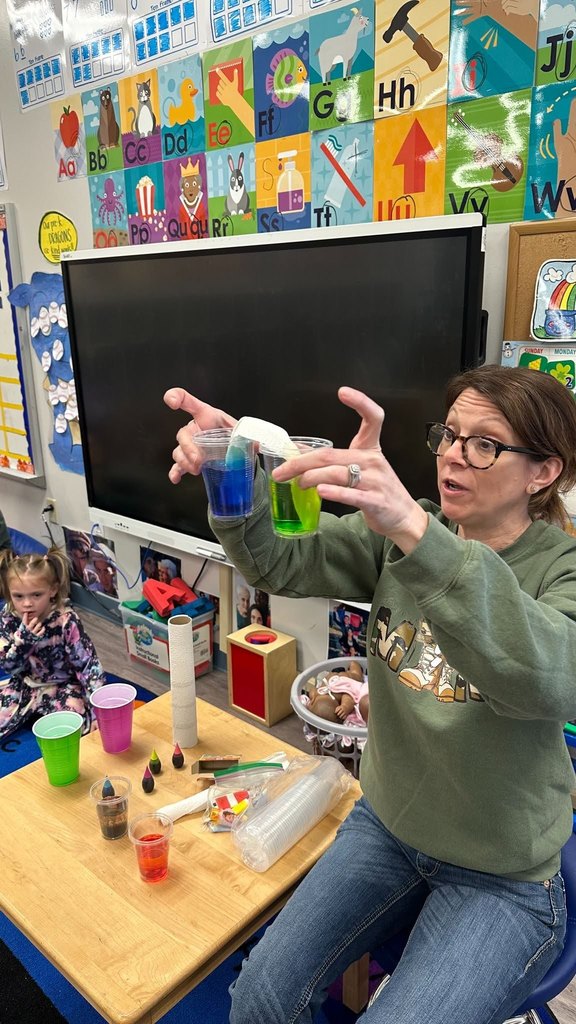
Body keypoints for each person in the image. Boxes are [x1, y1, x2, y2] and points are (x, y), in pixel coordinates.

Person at [164, 365, 576, 1024]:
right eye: (449, 436)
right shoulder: (402, 538)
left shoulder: (560, 568)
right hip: (389, 827)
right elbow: (281, 561)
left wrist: (418, 533)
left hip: (504, 874)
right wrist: (231, 473)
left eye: (484, 445)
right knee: (259, 998)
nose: (453, 457)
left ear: (544, 472)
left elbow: (552, 678)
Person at [0, 547, 105, 737]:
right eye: (19, 596)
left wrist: (99, 712)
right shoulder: (8, 618)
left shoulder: (66, 620)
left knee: (74, 729)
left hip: (63, 685)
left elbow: (89, 666)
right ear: (9, 593)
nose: (27, 604)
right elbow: (9, 666)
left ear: (53, 590)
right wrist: (23, 641)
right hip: (24, 685)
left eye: (36, 595)